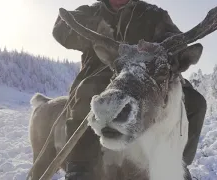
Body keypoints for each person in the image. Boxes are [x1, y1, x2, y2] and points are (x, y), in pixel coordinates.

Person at [52, 0, 207, 179]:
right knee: (87, 91)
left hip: (146, 75)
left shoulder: (152, 14)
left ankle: (179, 162)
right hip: (103, 72)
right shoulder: (91, 12)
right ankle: (80, 167)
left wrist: (170, 54)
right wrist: (96, 27)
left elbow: (175, 41)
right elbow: (61, 30)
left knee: (196, 102)